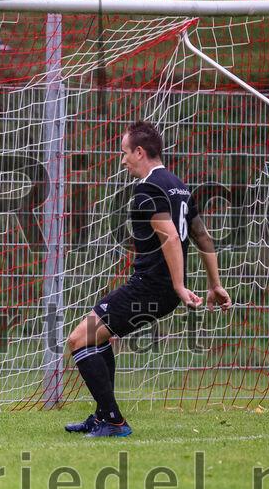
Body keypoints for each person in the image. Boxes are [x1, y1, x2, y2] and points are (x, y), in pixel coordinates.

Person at [65, 120, 232, 438]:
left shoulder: (147, 190)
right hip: (159, 288)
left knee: (78, 340)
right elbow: (202, 236)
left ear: (140, 152)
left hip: (150, 286)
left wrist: (180, 285)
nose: (123, 159)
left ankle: (114, 422)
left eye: (125, 152)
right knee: (96, 338)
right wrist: (215, 284)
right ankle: (103, 417)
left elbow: (170, 238)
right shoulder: (179, 186)